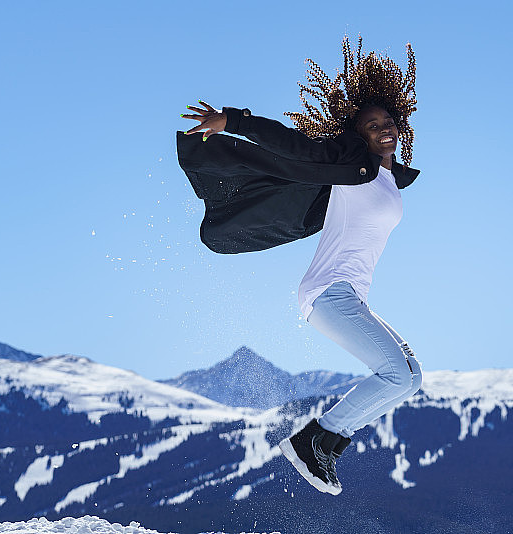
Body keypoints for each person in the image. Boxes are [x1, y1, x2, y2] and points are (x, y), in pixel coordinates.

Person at [178, 35, 422, 496]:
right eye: (372, 125)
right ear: (359, 135)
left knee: (410, 376)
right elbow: (295, 148)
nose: (383, 128)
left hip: (349, 296)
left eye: (388, 121)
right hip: (329, 293)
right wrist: (234, 120)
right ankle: (314, 440)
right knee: (395, 374)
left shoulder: (391, 179)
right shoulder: (353, 162)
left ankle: (326, 445)